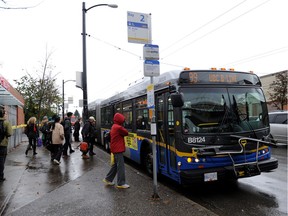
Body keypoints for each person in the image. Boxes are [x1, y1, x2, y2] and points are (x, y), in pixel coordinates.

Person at [103, 113, 129, 189]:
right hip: (118, 149)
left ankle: (108, 179)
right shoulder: (119, 127)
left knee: (115, 165)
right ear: (120, 120)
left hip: (114, 148)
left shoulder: (114, 126)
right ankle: (121, 183)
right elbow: (126, 133)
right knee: (120, 166)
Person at [0, 108, 12, 182]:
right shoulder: (6, 123)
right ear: (3, 114)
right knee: (1, 161)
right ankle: (1, 176)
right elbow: (10, 133)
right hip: (3, 144)